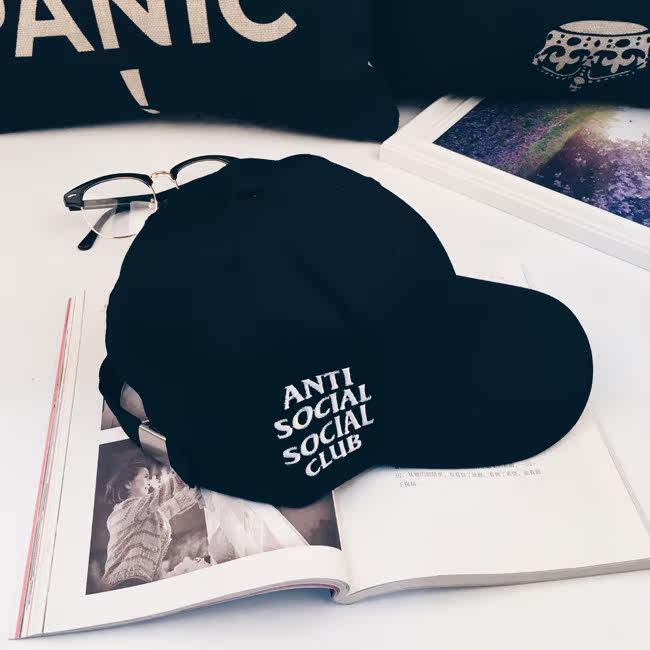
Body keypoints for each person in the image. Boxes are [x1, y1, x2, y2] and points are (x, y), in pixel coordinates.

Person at [103, 461, 199, 589]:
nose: (149, 482)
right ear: (128, 484)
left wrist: (196, 490)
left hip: (140, 581)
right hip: (123, 583)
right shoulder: (125, 510)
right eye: (145, 477)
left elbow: (171, 507)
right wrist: (190, 470)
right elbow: (160, 495)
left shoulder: (146, 513)